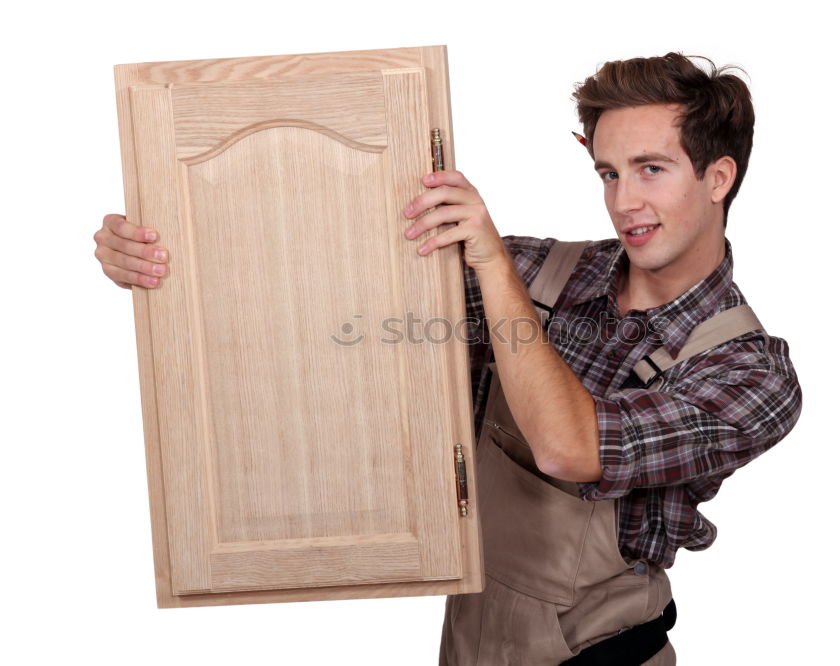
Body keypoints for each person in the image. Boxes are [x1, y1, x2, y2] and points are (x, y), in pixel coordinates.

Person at [93, 52, 802, 665]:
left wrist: (491, 261)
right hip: (469, 645)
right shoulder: (548, 276)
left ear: (718, 177)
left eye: (652, 170)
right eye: (608, 172)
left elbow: (570, 449)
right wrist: (163, 252)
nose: (624, 201)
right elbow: (322, 277)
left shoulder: (752, 374)